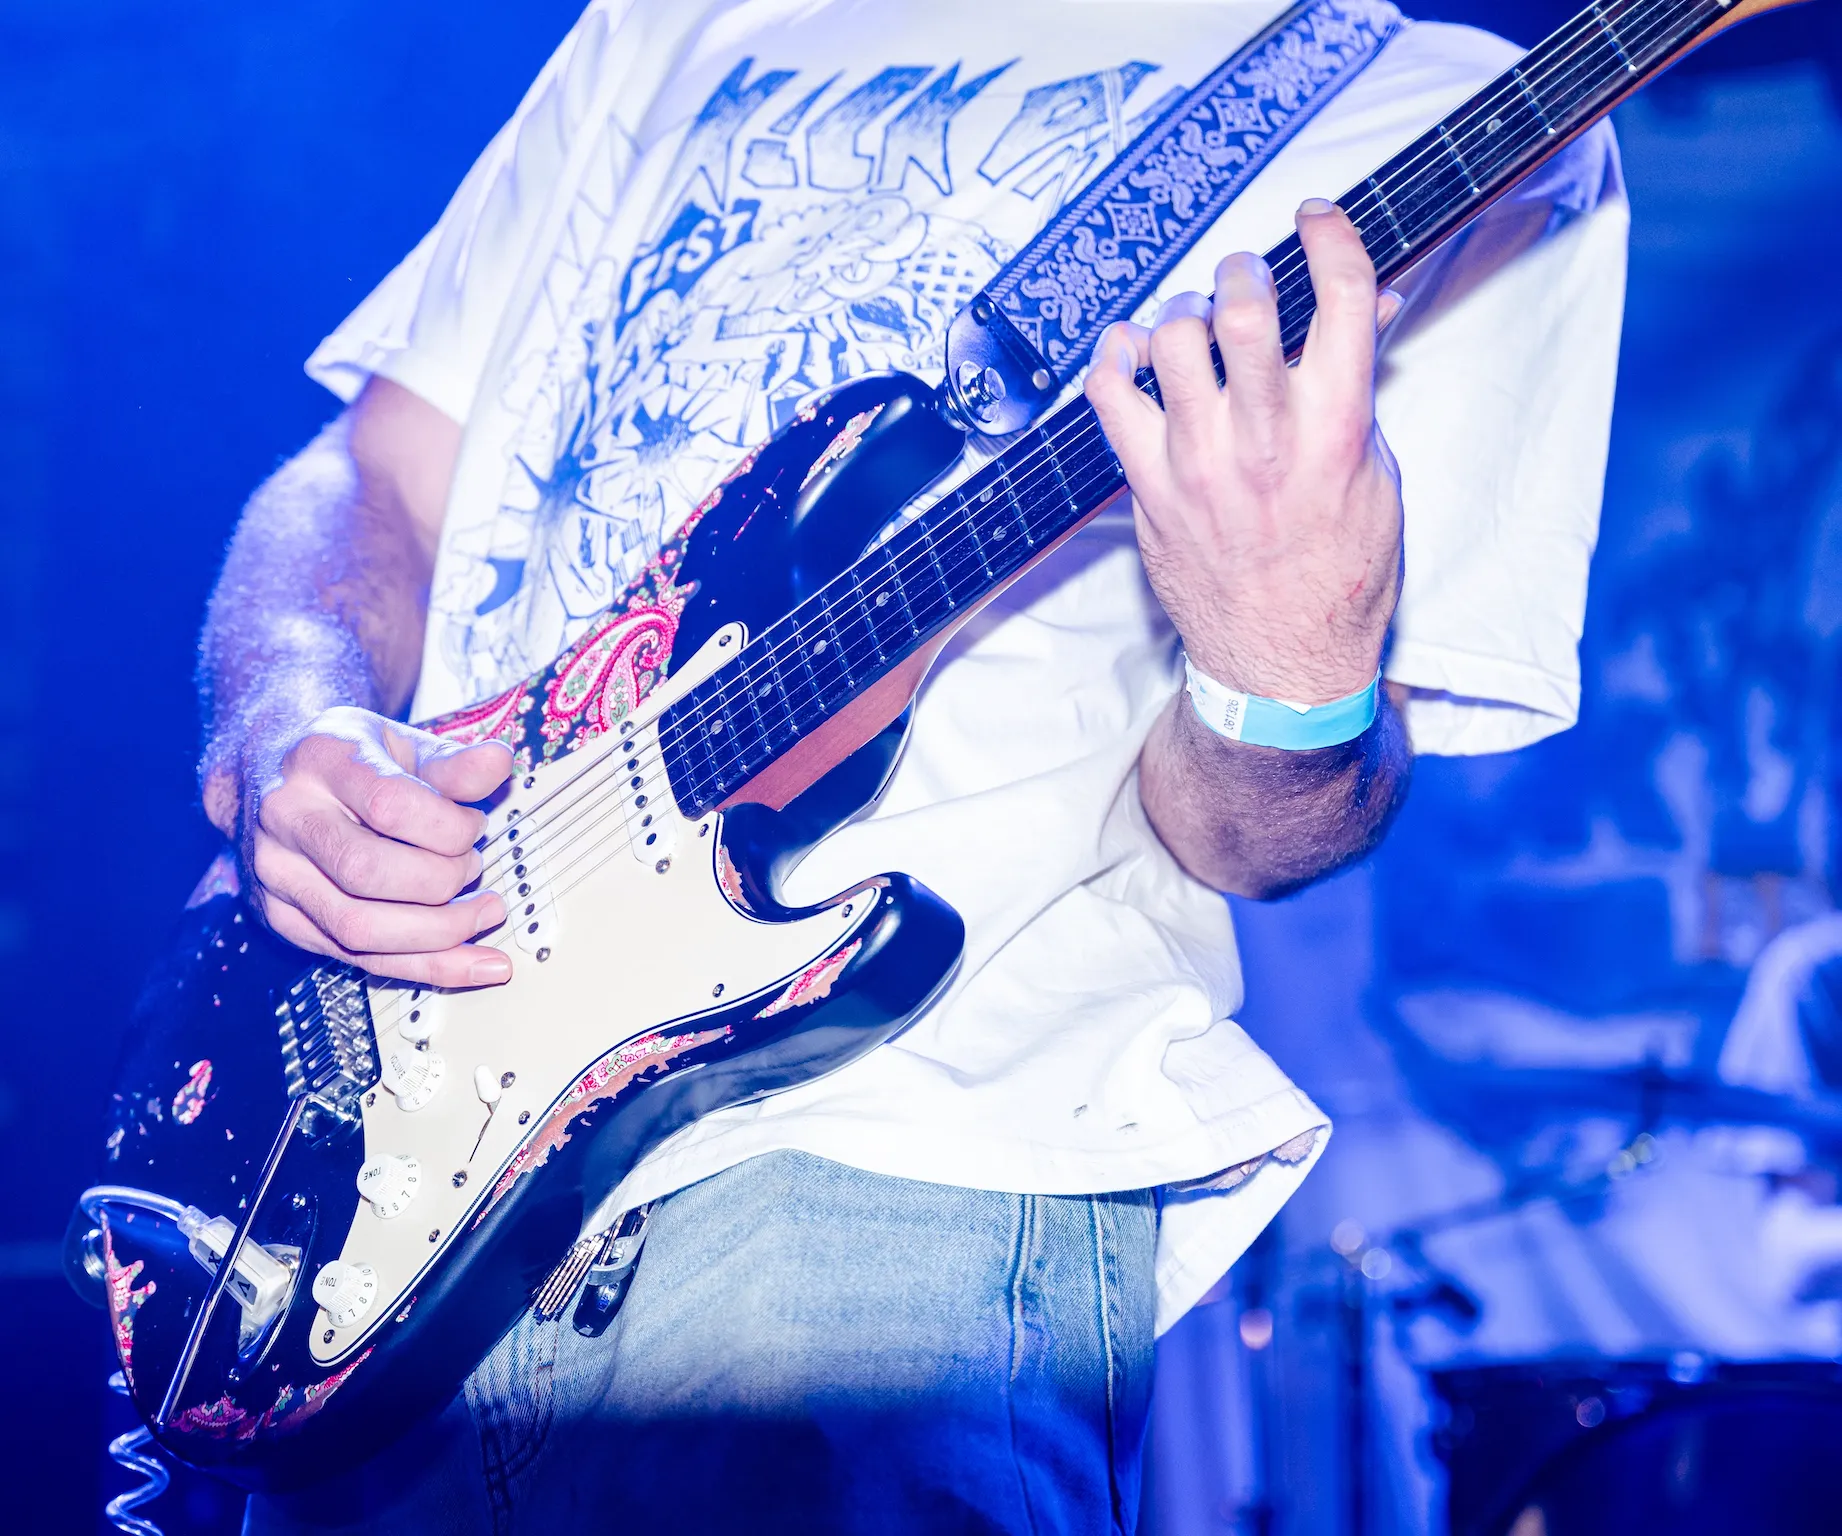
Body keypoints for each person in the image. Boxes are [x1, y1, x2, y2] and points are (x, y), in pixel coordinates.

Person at [207, 2, 1627, 1530]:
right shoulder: (679, 18)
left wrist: (1283, 673)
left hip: (877, 1174)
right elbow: (374, 473)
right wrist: (288, 708)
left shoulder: (1440, 116)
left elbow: (1244, 833)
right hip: (385, 1179)